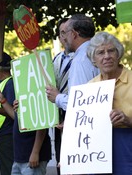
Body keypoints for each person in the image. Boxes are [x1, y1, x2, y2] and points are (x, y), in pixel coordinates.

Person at [87, 31, 132, 174]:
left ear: (118, 55)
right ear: (94, 59)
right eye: (100, 52)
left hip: (127, 146)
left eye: (111, 51)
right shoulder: (89, 87)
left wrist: (128, 120)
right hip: (98, 150)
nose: (107, 56)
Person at [46, 14, 99, 111]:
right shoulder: (96, 52)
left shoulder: (81, 60)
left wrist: (57, 97)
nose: (64, 38)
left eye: (65, 33)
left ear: (74, 34)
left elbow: (80, 103)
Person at [0, 89, 51, 175]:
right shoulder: (23, 94)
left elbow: (42, 124)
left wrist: (35, 152)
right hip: (19, 158)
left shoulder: (38, 91)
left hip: (31, 157)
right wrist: (3, 101)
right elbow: (17, 118)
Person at [52, 18, 74, 175]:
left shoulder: (86, 58)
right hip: (57, 114)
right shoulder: (55, 59)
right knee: (61, 161)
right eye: (62, 33)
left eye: (68, 31)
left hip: (76, 112)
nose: (65, 36)